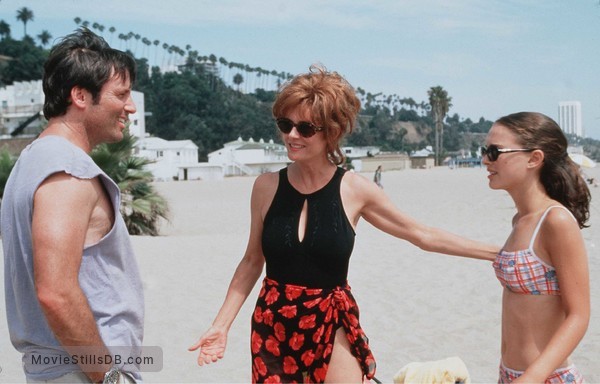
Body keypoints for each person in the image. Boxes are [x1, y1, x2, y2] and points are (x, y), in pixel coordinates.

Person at [189, 64, 498, 383]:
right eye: (286, 124)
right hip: (273, 323)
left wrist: (495, 253)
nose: (292, 135)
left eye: (305, 128)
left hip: (331, 320)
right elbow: (252, 260)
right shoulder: (265, 187)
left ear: (331, 132)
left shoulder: (355, 190)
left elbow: (420, 234)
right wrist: (221, 325)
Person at [1, 28, 144, 383]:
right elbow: (56, 292)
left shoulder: (32, 161)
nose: (131, 106)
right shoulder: (67, 172)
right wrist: (109, 376)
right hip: (80, 372)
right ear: (80, 95)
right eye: (121, 94)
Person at [482, 112, 590, 383]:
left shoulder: (556, 220)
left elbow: (579, 316)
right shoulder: (520, 220)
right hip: (509, 375)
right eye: (484, 150)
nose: (485, 159)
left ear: (534, 158)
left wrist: (531, 378)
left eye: (495, 152)